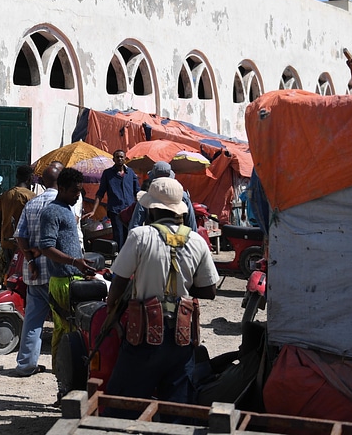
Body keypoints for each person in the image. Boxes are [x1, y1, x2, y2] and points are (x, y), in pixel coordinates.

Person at [104, 177, 218, 414]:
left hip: (144, 334)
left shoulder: (139, 236)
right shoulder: (197, 240)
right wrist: (182, 288)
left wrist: (111, 310)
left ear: (152, 210)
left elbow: (119, 281)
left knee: (124, 403)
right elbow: (210, 290)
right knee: (177, 407)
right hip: (181, 336)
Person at [39, 168, 97, 387]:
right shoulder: (52, 211)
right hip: (64, 283)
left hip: (74, 279)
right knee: (68, 335)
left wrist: (81, 267)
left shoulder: (66, 209)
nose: (77, 196)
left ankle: (68, 383)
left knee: (70, 333)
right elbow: (46, 247)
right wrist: (75, 263)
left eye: (80, 192)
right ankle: (65, 383)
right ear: (61, 188)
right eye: (74, 191)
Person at [11, 163, 60, 377]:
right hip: (58, 273)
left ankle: (25, 365)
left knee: (33, 320)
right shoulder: (63, 204)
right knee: (63, 322)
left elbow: (19, 235)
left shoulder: (32, 203)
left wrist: (30, 260)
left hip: (34, 273)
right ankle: (61, 366)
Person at [127, 161, 198, 232]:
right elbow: (191, 223)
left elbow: (135, 225)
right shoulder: (182, 195)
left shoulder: (147, 196)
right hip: (178, 237)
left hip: (153, 236)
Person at [0, 165, 35, 284]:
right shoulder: (31, 196)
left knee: (8, 269)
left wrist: (1, 237)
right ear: (30, 179)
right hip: (24, 242)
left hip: (6, 240)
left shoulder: (5, 195)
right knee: (21, 273)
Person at [93, 149, 139, 250]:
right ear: (113, 159)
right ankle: (119, 260)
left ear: (125, 159)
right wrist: (93, 210)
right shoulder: (108, 173)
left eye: (121, 157)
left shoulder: (130, 173)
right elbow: (100, 193)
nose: (119, 159)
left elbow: (138, 192)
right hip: (115, 211)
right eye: (117, 157)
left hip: (130, 211)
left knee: (130, 236)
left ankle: (130, 260)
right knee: (119, 236)